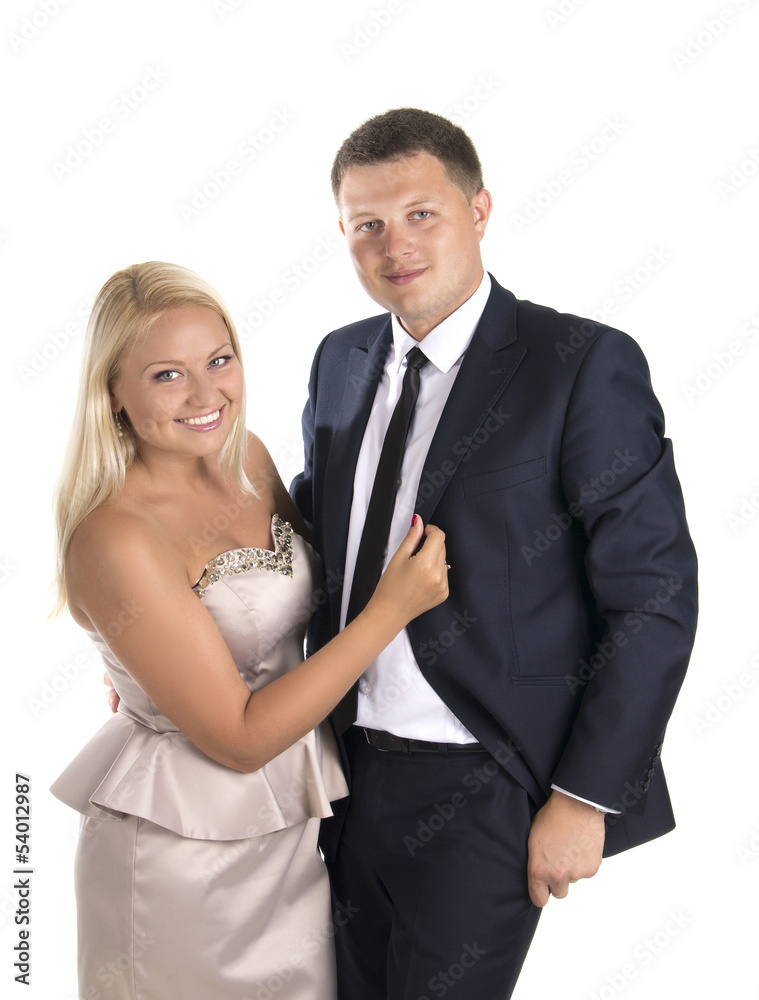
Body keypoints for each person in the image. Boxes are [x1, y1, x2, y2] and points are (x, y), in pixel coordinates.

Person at [290, 108, 698, 999]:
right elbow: (306, 540)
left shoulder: (579, 363)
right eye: (367, 225)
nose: (395, 245)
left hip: (487, 785)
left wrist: (583, 798)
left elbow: (653, 594)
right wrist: (178, 639)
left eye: (420, 214)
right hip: (338, 774)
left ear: (478, 210)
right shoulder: (339, 358)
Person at [49, 261, 449, 1000]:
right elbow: (238, 738)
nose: (207, 396)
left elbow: (302, 601)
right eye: (167, 375)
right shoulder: (117, 535)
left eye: (219, 360)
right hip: (180, 866)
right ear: (112, 394)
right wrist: (390, 612)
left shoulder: (247, 458)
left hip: (287, 846)